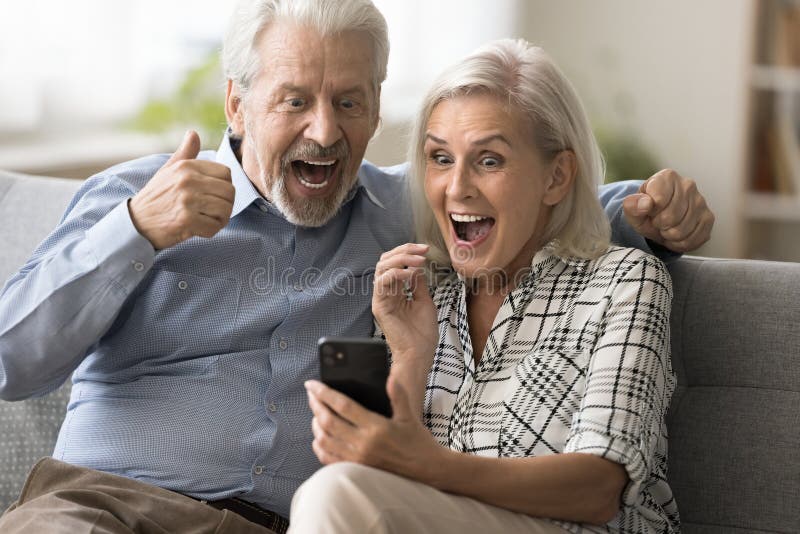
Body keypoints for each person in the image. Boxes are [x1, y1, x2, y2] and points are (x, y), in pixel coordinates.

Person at [0, 1, 708, 532]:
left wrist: (648, 210)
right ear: (238, 105)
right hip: (102, 507)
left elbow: (523, 197)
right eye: (296, 101)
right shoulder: (136, 197)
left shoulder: (403, 210)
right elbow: (12, 363)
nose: (324, 130)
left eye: (348, 102)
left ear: (376, 110)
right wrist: (133, 234)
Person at [294, 39, 678, 533]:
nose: (457, 188)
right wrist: (410, 354)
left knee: (335, 492)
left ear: (557, 177)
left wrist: (429, 465)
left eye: (489, 160)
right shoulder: (424, 293)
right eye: (440, 158)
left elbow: (599, 488)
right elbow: (381, 486)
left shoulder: (624, 283)